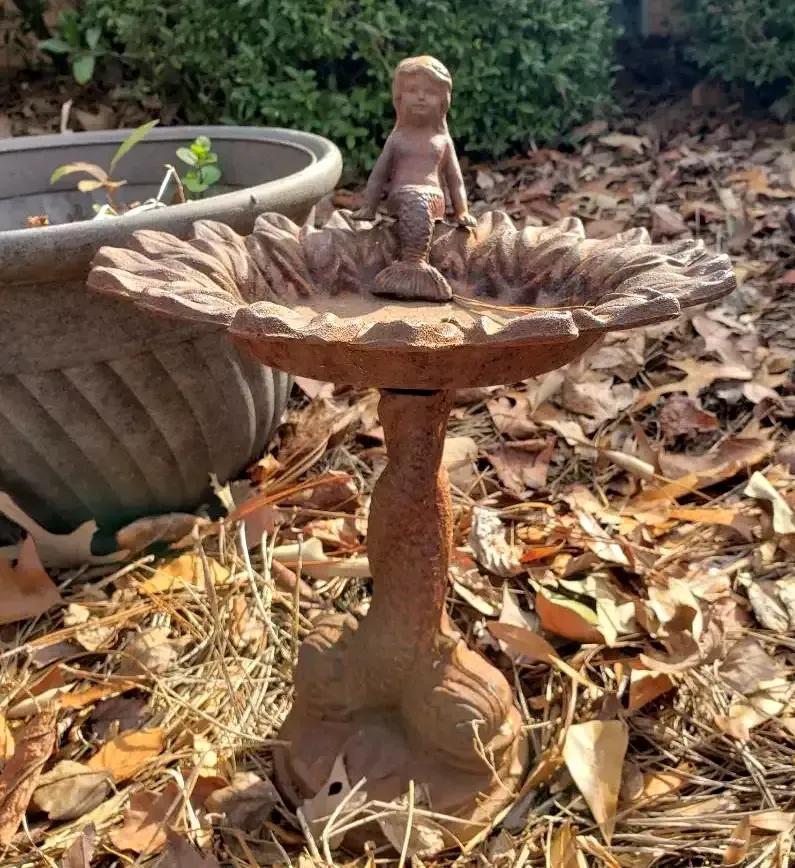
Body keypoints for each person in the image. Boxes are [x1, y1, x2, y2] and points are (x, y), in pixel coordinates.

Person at [354, 55, 477, 301]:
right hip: (400, 197)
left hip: (433, 199)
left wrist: (462, 212)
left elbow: (455, 180)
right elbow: (378, 177)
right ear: (399, 98)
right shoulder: (397, 138)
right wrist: (368, 208)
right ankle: (412, 265)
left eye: (430, 92)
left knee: (420, 198)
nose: (421, 97)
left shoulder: (442, 140)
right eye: (412, 90)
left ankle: (414, 266)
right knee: (413, 197)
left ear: (443, 102)